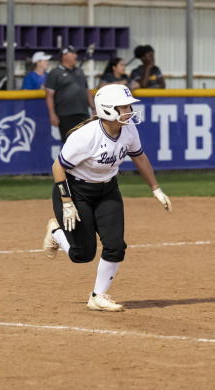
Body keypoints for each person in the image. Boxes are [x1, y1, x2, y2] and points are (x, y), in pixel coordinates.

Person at [43, 84, 172, 312]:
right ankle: (55, 232)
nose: (130, 111)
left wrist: (156, 189)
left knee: (115, 246)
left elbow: (139, 157)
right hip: (75, 191)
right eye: (125, 107)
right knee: (82, 255)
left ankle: (97, 297)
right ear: (108, 109)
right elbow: (58, 167)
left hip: (107, 190)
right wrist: (67, 203)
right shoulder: (86, 136)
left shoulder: (129, 129)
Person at [45, 45, 97, 143]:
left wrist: (93, 108)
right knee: (70, 143)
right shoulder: (55, 73)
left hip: (83, 112)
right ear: (64, 55)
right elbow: (49, 96)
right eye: (72, 53)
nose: (75, 56)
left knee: (86, 143)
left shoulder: (79, 71)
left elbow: (86, 90)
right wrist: (52, 114)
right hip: (66, 114)